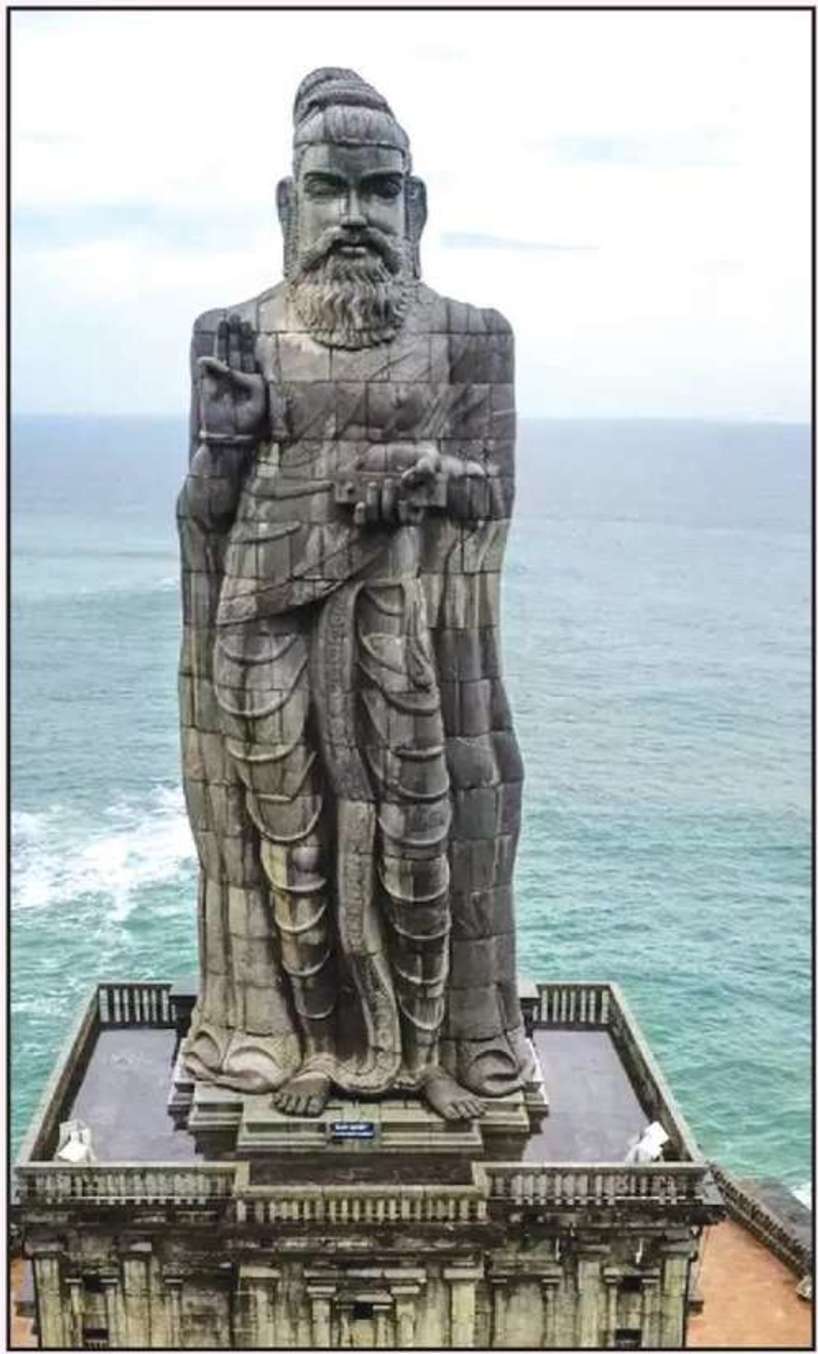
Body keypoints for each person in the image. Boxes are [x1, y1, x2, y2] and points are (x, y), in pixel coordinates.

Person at [177, 67, 532, 1120]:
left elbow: (491, 490)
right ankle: (309, 1042)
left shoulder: (469, 335)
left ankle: (423, 1046)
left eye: (377, 191)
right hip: (260, 621)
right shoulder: (234, 331)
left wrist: (424, 470)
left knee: (422, 837)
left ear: (413, 206)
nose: (353, 218)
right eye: (328, 189)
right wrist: (224, 446)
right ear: (289, 205)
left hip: (399, 620)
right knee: (287, 848)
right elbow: (205, 513)